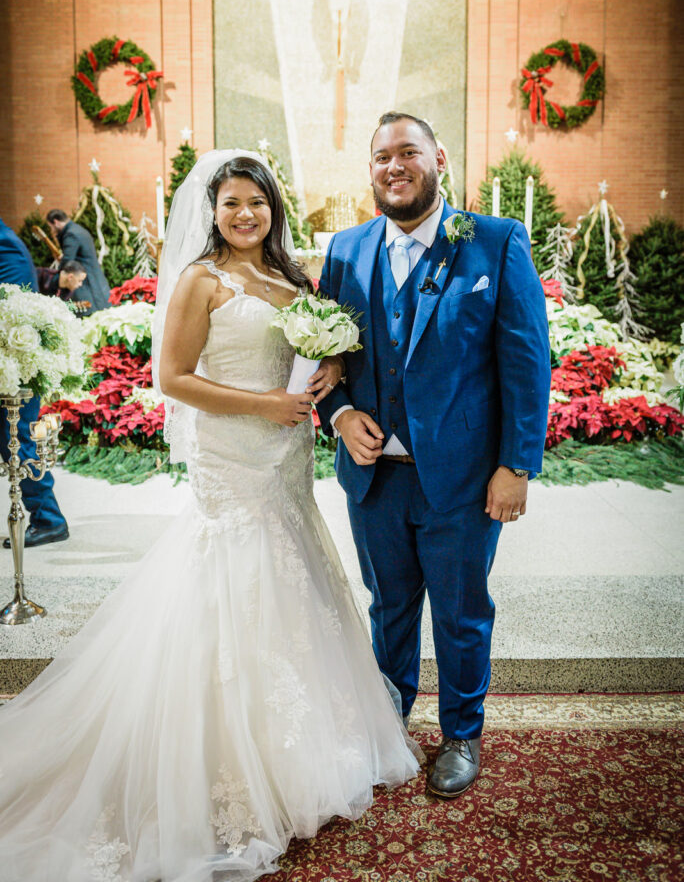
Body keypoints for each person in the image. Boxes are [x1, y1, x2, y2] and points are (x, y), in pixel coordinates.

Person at [0, 151, 420, 882]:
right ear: (212, 211)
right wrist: (265, 406)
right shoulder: (201, 279)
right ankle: (227, 762)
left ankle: (303, 747)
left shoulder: (290, 279)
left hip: (286, 458)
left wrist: (329, 374)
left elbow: (323, 353)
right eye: (231, 204)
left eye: (256, 202)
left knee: (294, 574)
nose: (245, 215)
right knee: (231, 580)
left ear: (273, 208)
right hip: (234, 456)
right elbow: (173, 378)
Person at [316, 112, 551, 799]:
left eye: (408, 152)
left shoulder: (494, 242)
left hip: (464, 479)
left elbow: (526, 360)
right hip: (374, 479)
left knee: (459, 611)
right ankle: (388, 721)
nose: (395, 166)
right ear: (370, 170)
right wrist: (339, 414)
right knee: (387, 607)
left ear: (438, 158)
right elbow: (326, 357)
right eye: (382, 156)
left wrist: (517, 464)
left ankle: (461, 734)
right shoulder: (346, 250)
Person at [0, 217, 69, 548]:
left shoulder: (6, 245)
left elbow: (15, 306)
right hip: (10, 360)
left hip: (16, 363)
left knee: (18, 439)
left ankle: (48, 520)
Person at [45, 208, 111, 312]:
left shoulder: (70, 234)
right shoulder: (77, 229)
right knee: (101, 306)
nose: (52, 231)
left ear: (56, 222)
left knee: (88, 309)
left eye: (51, 227)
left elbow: (67, 259)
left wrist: (57, 279)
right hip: (93, 274)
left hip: (84, 278)